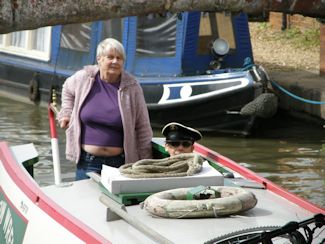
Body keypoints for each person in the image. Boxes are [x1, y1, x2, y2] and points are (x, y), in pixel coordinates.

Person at [57, 38, 153, 180]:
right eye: (110, 57)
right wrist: (66, 112)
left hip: (119, 164)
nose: (115, 61)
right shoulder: (84, 78)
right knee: (84, 200)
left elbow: (143, 126)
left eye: (119, 58)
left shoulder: (132, 87)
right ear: (99, 59)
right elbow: (67, 89)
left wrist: (146, 162)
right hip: (87, 162)